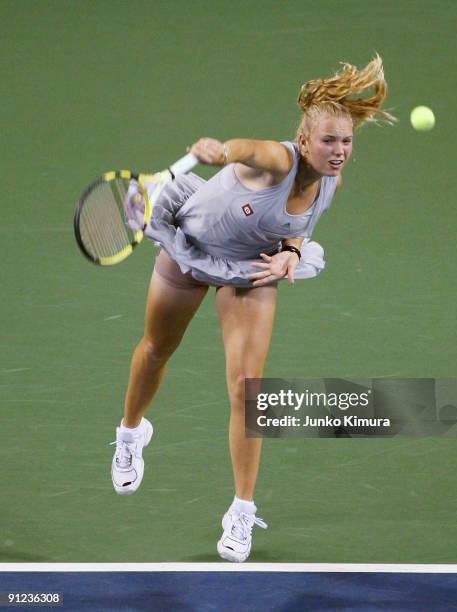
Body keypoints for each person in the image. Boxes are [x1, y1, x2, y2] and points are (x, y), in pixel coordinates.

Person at [110, 54, 395, 562]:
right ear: (304, 140)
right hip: (191, 242)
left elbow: (300, 228)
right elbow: (249, 150)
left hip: (248, 267)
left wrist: (290, 252)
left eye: (347, 142)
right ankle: (131, 430)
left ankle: (241, 511)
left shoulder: (334, 181)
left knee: (248, 391)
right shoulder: (279, 160)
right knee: (157, 347)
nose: (339, 151)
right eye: (329, 140)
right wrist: (222, 151)